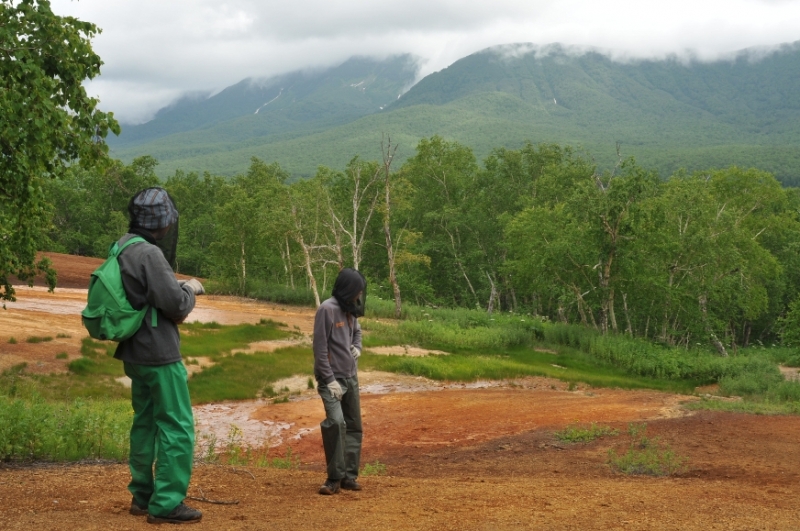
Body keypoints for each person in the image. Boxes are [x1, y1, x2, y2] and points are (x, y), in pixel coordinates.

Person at [115, 187, 206, 524]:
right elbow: (177, 306)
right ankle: (166, 503)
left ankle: (142, 495)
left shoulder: (122, 246)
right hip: (159, 353)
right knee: (177, 425)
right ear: (162, 225)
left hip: (134, 352)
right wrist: (190, 288)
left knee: (145, 422)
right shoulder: (150, 255)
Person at [313, 268, 367, 495]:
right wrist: (329, 379)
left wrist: (357, 347)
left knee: (354, 425)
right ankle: (334, 478)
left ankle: (349, 477)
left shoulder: (350, 309)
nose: (359, 296)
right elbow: (319, 347)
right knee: (336, 423)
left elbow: (357, 333)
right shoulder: (327, 309)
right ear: (348, 289)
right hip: (332, 380)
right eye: (357, 291)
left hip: (350, 376)